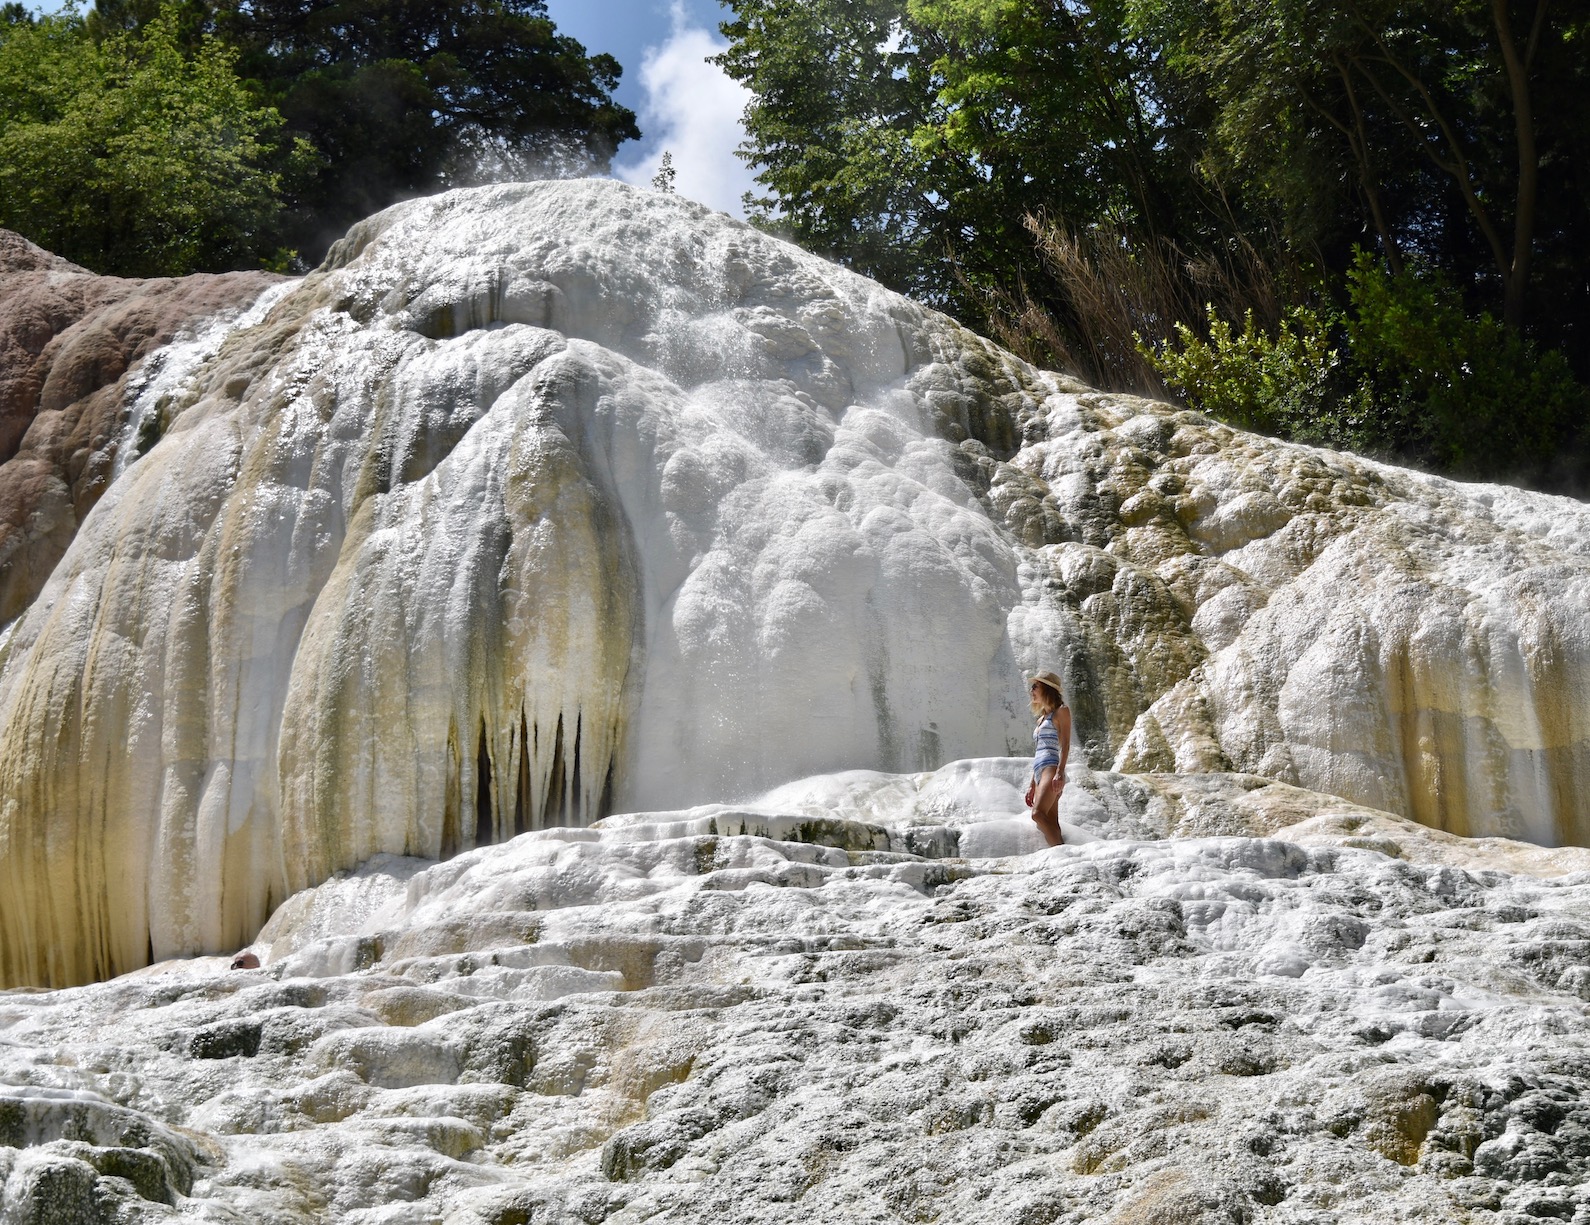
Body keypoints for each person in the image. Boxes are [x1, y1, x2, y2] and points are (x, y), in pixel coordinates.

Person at [1023, 669, 1070, 846]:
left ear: (1047, 689)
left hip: (1051, 768)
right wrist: (1031, 785)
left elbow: (1065, 744)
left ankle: (1063, 853)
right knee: (1051, 822)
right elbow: (1038, 752)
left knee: (1037, 814)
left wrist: (1060, 772)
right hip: (1039, 771)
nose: (1031, 690)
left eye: (1035, 686)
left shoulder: (1062, 712)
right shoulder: (1041, 719)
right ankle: (1063, 857)